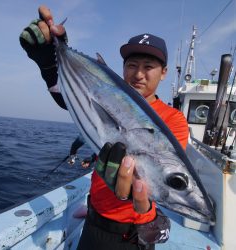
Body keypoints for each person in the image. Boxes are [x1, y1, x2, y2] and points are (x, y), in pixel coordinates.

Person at [20, 5, 189, 250]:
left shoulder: (173, 120)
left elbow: (162, 177)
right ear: (122, 68)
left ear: (163, 73)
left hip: (130, 235)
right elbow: (68, 99)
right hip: (93, 223)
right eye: (132, 65)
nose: (139, 74)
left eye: (148, 66)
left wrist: (141, 201)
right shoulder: (108, 94)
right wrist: (49, 63)